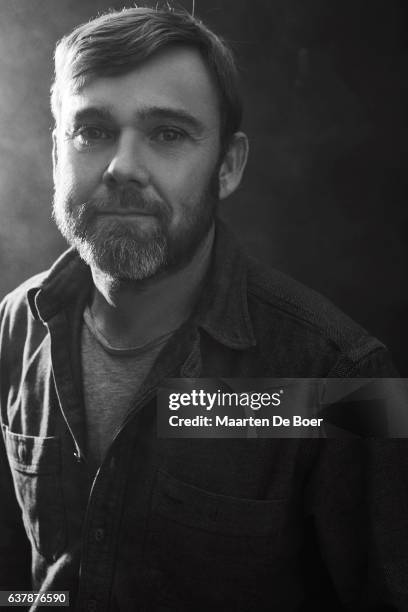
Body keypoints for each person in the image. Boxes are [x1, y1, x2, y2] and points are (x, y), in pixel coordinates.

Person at [0, 6, 406, 611]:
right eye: (92, 132)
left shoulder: (349, 377)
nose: (123, 168)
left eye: (167, 133)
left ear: (229, 165)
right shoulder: (12, 326)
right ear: (58, 157)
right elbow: (18, 579)